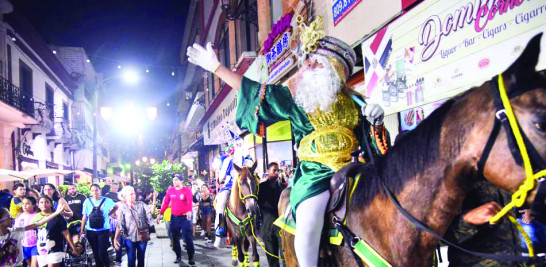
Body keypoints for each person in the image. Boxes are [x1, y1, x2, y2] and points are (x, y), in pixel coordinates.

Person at [187, 16, 388, 266]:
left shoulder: (355, 104)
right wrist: (218, 69)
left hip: (354, 171)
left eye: (315, 63)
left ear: (334, 68)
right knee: (310, 219)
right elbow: (255, 90)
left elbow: (375, 146)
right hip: (315, 174)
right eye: (308, 62)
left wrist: (376, 121)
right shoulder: (297, 100)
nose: (307, 67)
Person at [444, 180, 521, 266]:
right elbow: (436, 235)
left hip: (514, 259)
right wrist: (467, 219)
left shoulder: (506, 172)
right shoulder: (454, 175)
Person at [0, 201, 67, 267]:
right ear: (1, 222)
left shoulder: (16, 231)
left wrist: (56, 212)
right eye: (9, 217)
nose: (12, 218)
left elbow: (39, 223)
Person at [156, 173, 195, 265]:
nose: (174, 181)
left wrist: (189, 211)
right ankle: (178, 256)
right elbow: (165, 203)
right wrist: (159, 214)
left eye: (177, 179)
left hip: (185, 217)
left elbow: (189, 202)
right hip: (175, 217)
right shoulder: (170, 191)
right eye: (174, 179)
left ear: (182, 181)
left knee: (188, 238)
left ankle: (191, 257)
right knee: (175, 238)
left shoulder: (187, 190)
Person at [114, 186, 153, 267]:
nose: (133, 195)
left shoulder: (141, 204)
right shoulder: (122, 208)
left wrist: (154, 200)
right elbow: (119, 224)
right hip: (129, 237)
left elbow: (150, 213)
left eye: (134, 193)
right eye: (131, 194)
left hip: (142, 236)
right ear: (125, 196)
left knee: (141, 259)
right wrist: (115, 238)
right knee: (131, 260)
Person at [34, 196, 78, 267]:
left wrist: (73, 247)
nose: (44, 204)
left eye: (47, 202)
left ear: (51, 204)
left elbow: (66, 233)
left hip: (56, 248)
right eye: (41, 202)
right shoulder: (36, 217)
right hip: (41, 249)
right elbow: (35, 233)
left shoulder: (58, 217)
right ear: (38, 205)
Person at [80, 184, 118, 267]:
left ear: (100, 190)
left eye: (96, 190)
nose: (95, 192)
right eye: (92, 190)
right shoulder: (87, 201)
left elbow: (116, 206)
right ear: (90, 192)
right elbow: (84, 216)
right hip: (91, 231)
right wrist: (81, 230)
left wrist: (109, 214)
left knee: (102, 252)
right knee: (95, 253)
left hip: (103, 230)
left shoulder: (107, 200)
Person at [257, 162, 287, 267]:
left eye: (277, 170)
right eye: (274, 170)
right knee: (271, 256)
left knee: (284, 254)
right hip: (267, 224)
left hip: (282, 225)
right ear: (268, 171)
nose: (276, 173)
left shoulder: (283, 188)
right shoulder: (260, 188)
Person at [14, 196, 38, 267]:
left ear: (34, 205)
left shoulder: (37, 215)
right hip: (23, 245)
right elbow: (16, 230)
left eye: (27, 203)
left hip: (35, 245)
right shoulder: (19, 216)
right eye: (23, 203)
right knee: (29, 265)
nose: (24, 206)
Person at [105, 182, 123, 266]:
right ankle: (117, 256)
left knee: (118, 237)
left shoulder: (119, 195)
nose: (115, 189)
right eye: (114, 187)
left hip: (120, 219)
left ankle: (118, 257)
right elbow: (107, 207)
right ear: (111, 187)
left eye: (117, 187)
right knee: (113, 237)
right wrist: (112, 214)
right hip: (112, 219)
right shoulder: (107, 195)